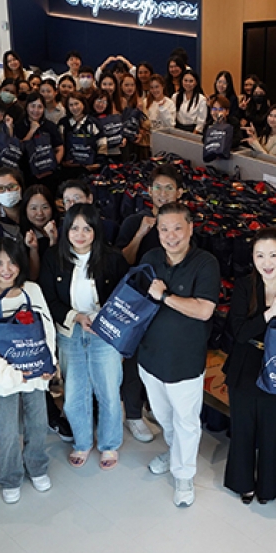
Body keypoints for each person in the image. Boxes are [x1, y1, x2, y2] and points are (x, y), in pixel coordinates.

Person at [139, 202, 220, 507]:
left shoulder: (205, 263)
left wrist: (165, 296)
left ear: (190, 228)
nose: (171, 235)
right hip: (150, 358)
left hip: (184, 362)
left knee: (186, 420)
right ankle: (174, 452)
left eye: (177, 228)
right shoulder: (150, 259)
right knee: (163, 416)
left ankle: (184, 474)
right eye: (164, 229)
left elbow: (204, 310)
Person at [39, 203, 127, 469]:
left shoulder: (112, 258)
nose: (80, 234)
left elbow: (125, 297)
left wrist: (103, 318)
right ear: (66, 229)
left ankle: (109, 444)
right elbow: (48, 297)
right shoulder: (53, 257)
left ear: (96, 231)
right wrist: (76, 316)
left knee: (108, 390)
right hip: (70, 331)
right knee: (75, 392)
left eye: (87, 229)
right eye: (74, 228)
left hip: (105, 333)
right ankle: (82, 442)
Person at [222, 227, 276, 504]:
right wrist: (269, 314)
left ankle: (268, 488)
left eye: (273, 255)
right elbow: (238, 331)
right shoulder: (245, 287)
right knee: (243, 430)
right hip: (245, 364)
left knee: (270, 432)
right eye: (260, 255)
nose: (266, 262)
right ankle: (242, 482)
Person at [0, 237, 54, 504]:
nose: (6, 270)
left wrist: (49, 363)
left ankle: (37, 467)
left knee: (38, 425)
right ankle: (10, 477)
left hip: (36, 374)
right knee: (6, 431)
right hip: (2, 379)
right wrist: (10, 374)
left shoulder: (33, 290)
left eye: (12, 262)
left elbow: (47, 329)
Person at [115, 165, 186, 442]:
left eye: (169, 188)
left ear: (180, 193)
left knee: (160, 357)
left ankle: (151, 406)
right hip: (138, 303)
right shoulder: (135, 221)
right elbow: (121, 261)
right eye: (158, 187)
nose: (163, 193)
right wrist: (141, 234)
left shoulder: (184, 225)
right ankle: (133, 414)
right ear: (149, 191)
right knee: (134, 359)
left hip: (169, 302)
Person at [173, 70, 207, 134]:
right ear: (182, 81)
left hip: (194, 130)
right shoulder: (175, 96)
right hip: (178, 129)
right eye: (185, 80)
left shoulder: (201, 99)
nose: (188, 83)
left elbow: (201, 121)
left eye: (191, 81)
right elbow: (172, 115)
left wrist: (193, 135)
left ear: (196, 83)